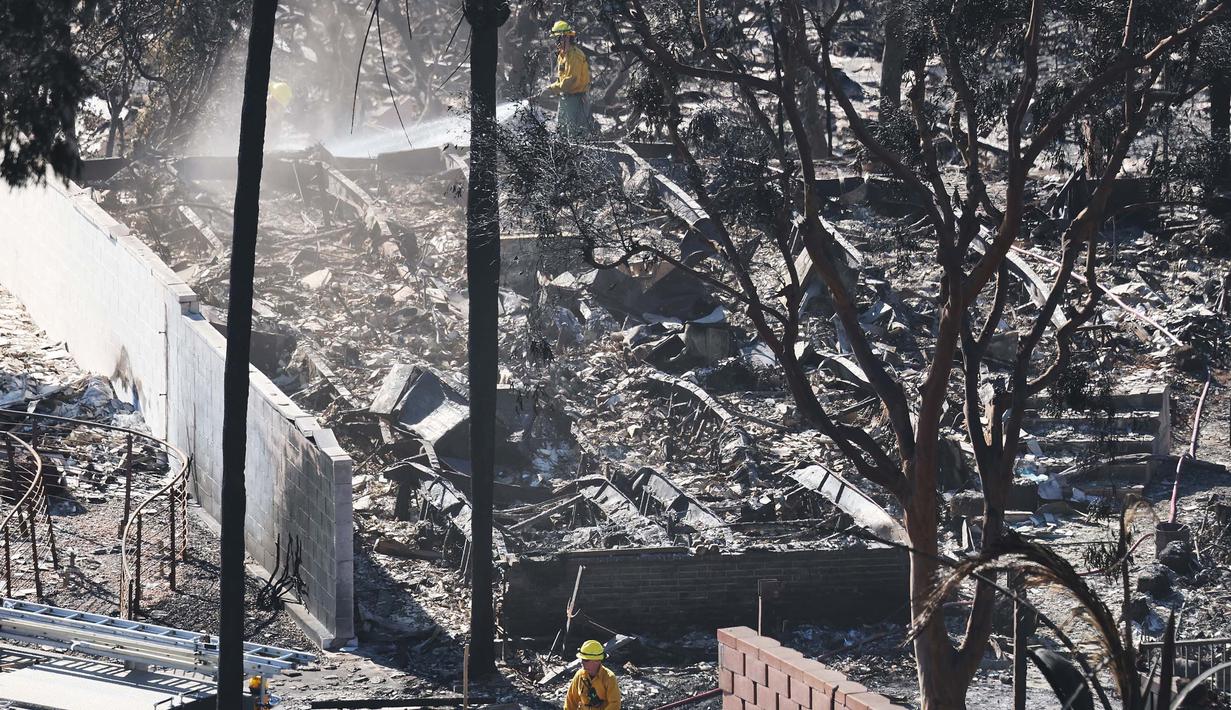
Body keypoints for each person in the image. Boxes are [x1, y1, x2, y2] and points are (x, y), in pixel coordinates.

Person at [545, 21, 592, 138]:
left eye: (557, 39)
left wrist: (550, 90)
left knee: (575, 133)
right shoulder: (562, 55)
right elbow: (563, 79)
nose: (556, 42)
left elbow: (570, 81)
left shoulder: (575, 56)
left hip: (576, 99)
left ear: (565, 37)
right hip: (565, 97)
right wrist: (553, 84)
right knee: (562, 131)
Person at [564, 640, 621, 710]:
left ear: (597, 661)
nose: (582, 662)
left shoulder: (609, 677)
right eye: (581, 659)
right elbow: (570, 701)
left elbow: (615, 704)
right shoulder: (579, 675)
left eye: (585, 660)